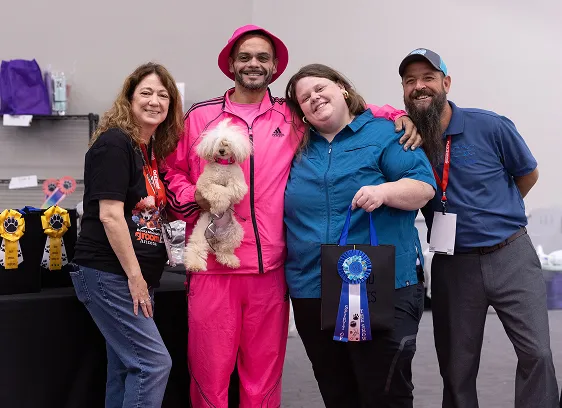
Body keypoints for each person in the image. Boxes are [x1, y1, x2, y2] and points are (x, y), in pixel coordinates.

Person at [162, 25, 421, 407]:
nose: (253, 64)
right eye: (245, 57)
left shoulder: (292, 115)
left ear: (274, 66)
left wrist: (398, 114)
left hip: (270, 272)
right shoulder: (201, 116)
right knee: (209, 377)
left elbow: (349, 112)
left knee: (263, 381)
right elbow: (171, 171)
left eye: (262, 57)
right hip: (215, 268)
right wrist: (195, 198)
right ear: (231, 64)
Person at [399, 48, 559, 408]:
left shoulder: (490, 125)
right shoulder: (408, 138)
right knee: (456, 368)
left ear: (446, 83)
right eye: (410, 81)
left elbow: (528, 174)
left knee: (538, 353)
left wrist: (498, 214)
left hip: (511, 254)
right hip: (454, 264)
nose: (419, 86)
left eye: (428, 78)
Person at [283, 63, 435, 408]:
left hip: (380, 285)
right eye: (304, 98)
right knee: (338, 393)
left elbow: (423, 187)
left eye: (320, 88)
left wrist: (384, 192)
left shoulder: (384, 133)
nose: (314, 98)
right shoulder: (295, 147)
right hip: (311, 289)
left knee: (383, 393)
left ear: (342, 88)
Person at [70, 62, 184, 408]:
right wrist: (135, 278)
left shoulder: (146, 149)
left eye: (163, 95)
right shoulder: (115, 143)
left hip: (134, 274)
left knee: (124, 367)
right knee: (153, 364)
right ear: (129, 99)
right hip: (111, 272)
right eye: (146, 93)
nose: (154, 101)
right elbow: (110, 215)